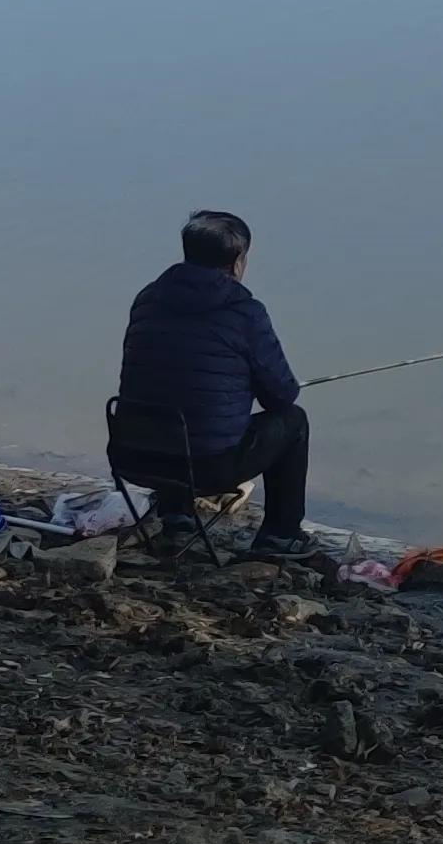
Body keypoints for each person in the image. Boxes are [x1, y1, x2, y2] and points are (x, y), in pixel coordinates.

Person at [108, 207, 310, 572]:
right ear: (237, 261)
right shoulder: (245, 312)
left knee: (175, 402)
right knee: (293, 421)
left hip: (132, 455)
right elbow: (281, 396)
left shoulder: (148, 298)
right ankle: (281, 533)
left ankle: (177, 515)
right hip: (203, 468)